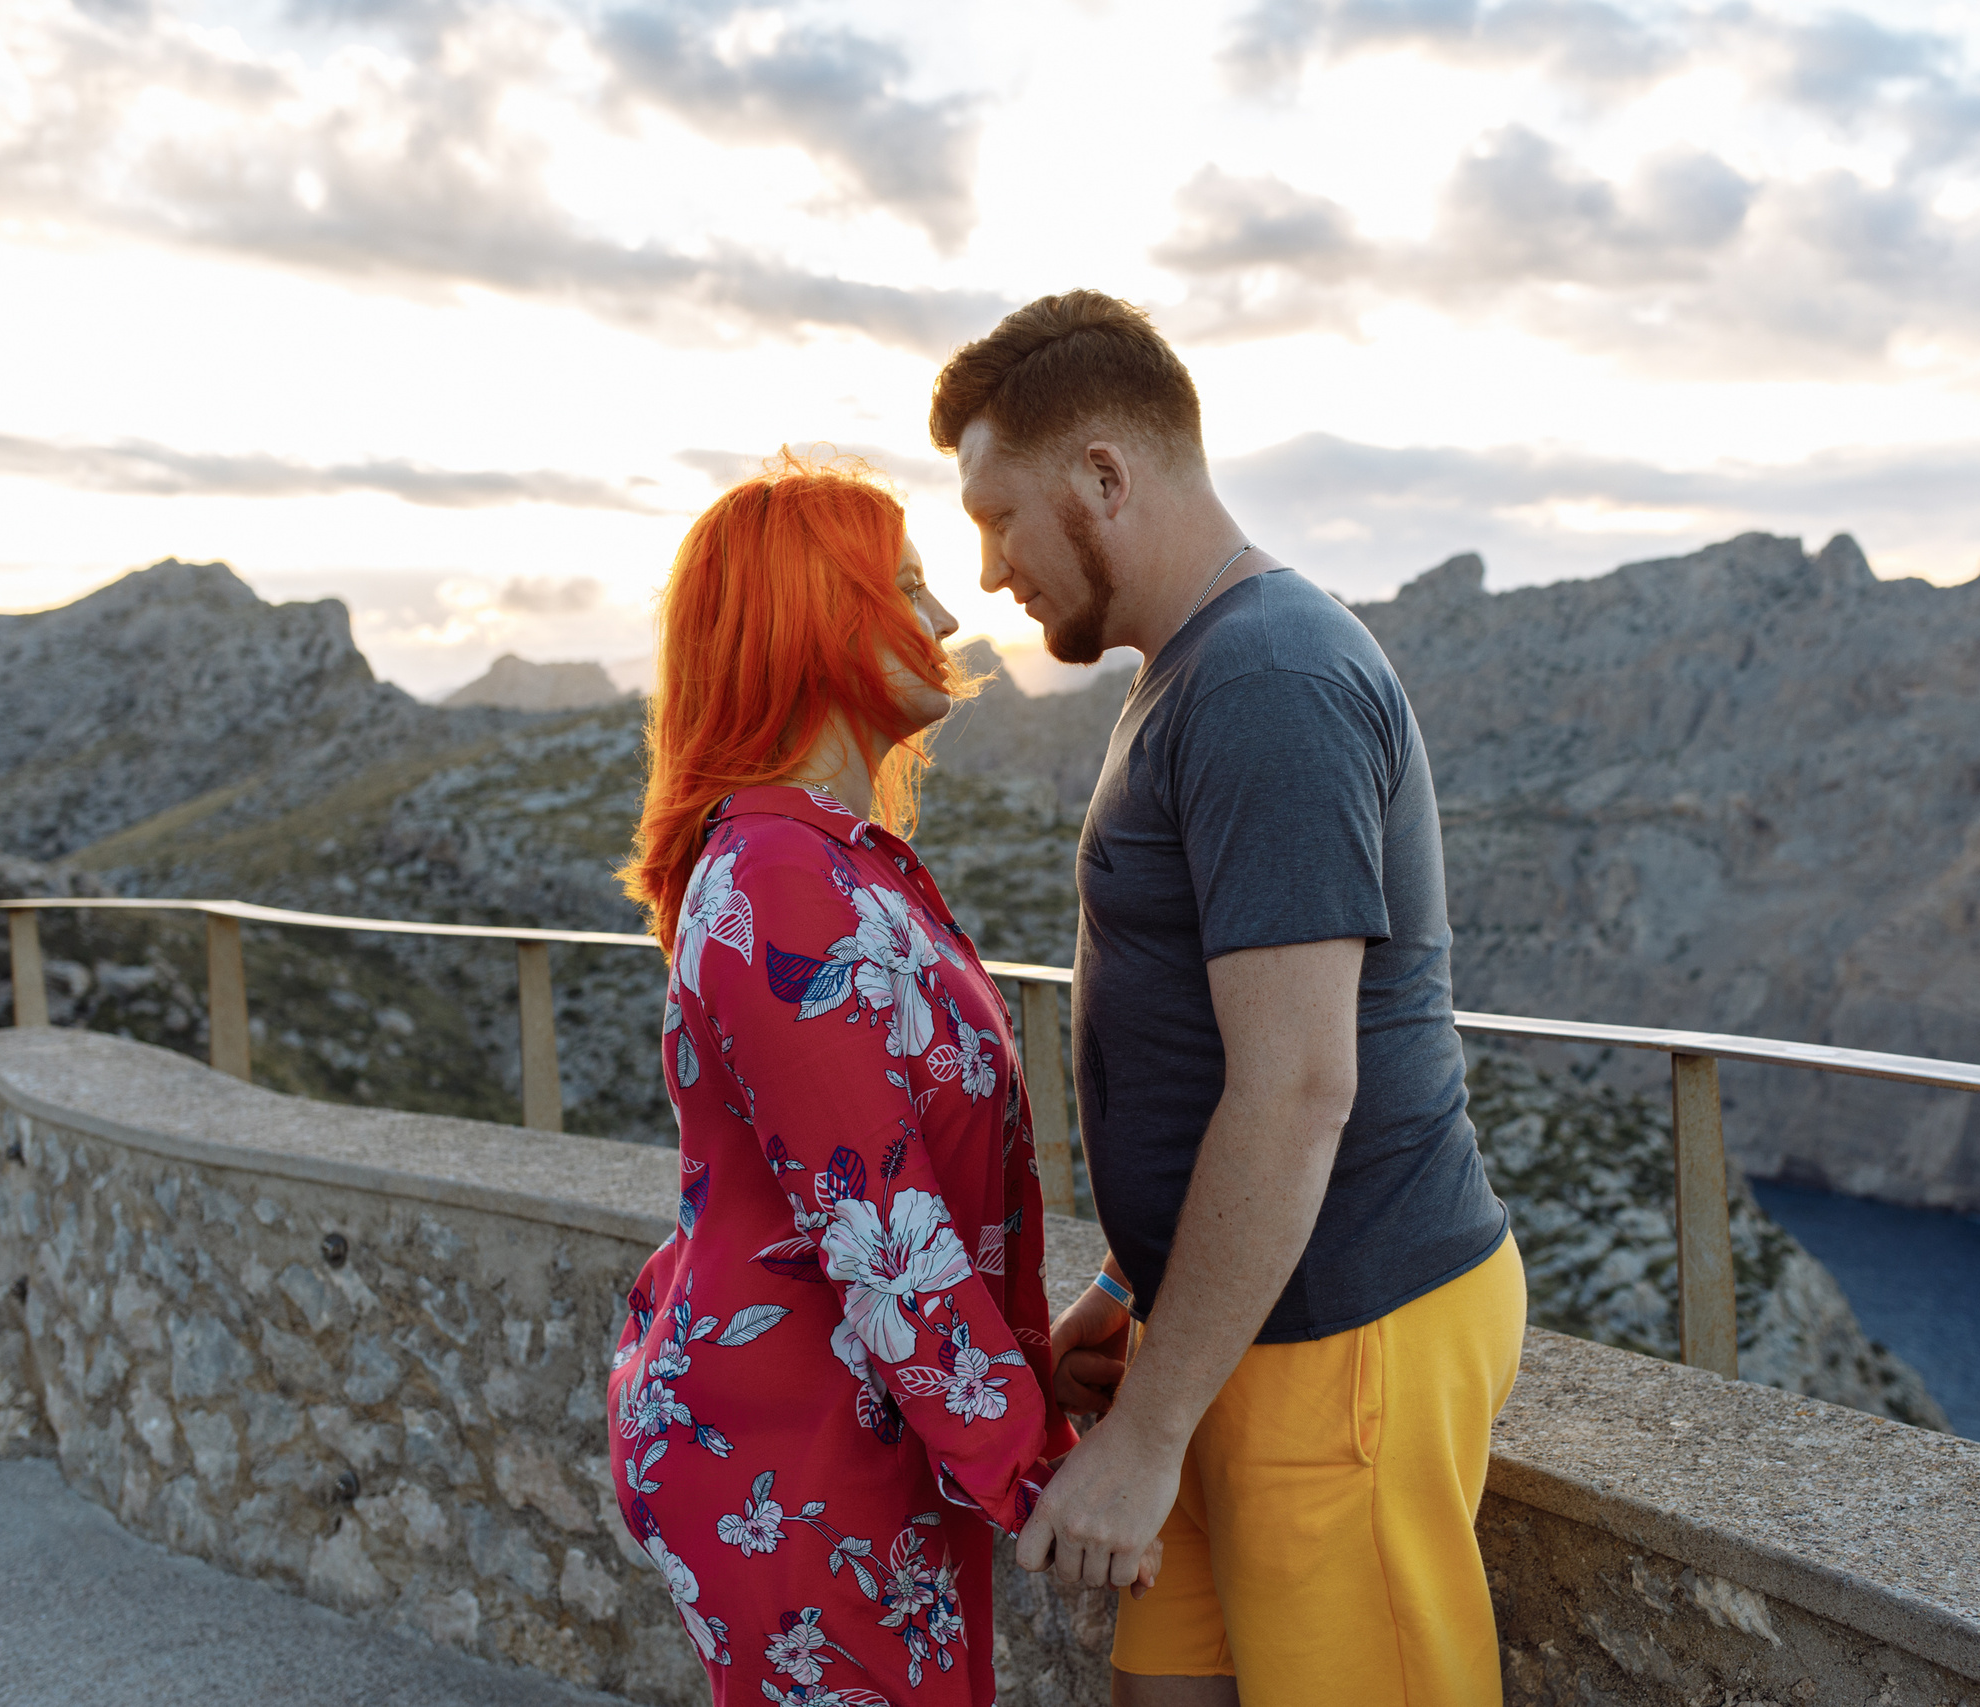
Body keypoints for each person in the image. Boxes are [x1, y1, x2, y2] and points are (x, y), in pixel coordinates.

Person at [929, 294, 1526, 1707]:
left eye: (997, 515)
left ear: (1104, 478)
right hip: (1217, 1332)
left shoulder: (1267, 675)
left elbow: (1299, 1081)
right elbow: (1204, 1043)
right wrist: (1139, 1294)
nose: (991, 567)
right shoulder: (1191, 669)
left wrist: (1148, 1428)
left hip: (1339, 1331)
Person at [608, 450, 1075, 1705]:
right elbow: (878, 1223)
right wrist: (1042, 1468)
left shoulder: (837, 862)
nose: (945, 617)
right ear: (816, 620)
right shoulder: (779, 882)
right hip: (794, 1459)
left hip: (856, 1435)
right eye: (907, 585)